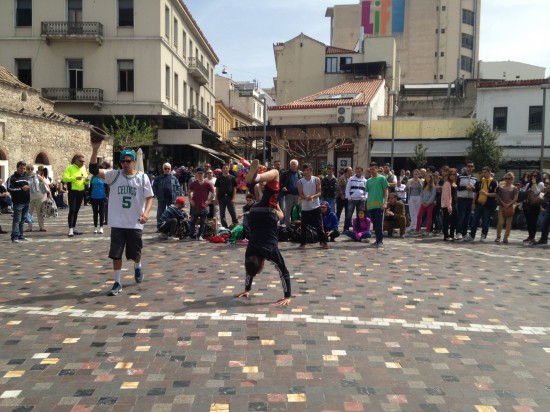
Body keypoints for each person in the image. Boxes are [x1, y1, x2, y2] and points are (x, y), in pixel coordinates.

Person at [89, 143, 154, 296]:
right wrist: (95, 149)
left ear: (133, 162)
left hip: (135, 222)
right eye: (123, 161)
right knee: (116, 253)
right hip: (117, 222)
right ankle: (117, 282)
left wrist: (146, 213)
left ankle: (138, 266)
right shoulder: (114, 175)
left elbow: (150, 197)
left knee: (134, 253)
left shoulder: (142, 177)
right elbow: (93, 170)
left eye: (128, 161)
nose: (125, 164)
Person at [235, 160, 291, 306]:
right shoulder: (249, 252)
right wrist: (246, 288)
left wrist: (287, 296)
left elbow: (284, 272)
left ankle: (257, 178)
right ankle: (259, 176)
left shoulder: (270, 251)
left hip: (268, 214)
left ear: (261, 265)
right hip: (255, 211)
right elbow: (249, 270)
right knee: (280, 212)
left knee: (276, 174)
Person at [463, 166, 498, 242]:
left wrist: (486, 194)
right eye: (483, 172)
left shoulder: (494, 182)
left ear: (489, 172)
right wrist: (473, 203)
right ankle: (472, 235)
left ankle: (483, 235)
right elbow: (475, 193)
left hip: (487, 205)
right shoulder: (479, 182)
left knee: (486, 221)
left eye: (485, 172)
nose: (483, 174)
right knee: (475, 220)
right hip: (478, 204)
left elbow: (496, 194)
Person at [298, 163, 328, 249]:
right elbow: (300, 194)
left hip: (315, 206)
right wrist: (305, 197)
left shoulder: (316, 179)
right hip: (305, 207)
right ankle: (302, 243)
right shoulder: (300, 181)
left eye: (308, 170)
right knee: (303, 226)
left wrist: (312, 197)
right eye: (305, 170)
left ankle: (323, 241)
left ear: (311, 170)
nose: (306, 172)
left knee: (319, 224)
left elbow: (319, 192)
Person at [62, 154, 90, 236]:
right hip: (73, 191)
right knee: (72, 210)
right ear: (76, 160)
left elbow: (85, 180)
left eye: (83, 161)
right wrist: (75, 178)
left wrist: (87, 181)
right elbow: (64, 179)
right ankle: (70, 229)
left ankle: (73, 227)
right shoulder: (69, 168)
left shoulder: (84, 169)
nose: (82, 163)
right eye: (81, 161)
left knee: (77, 210)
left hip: (81, 191)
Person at [365, 162, 389, 247]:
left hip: (379, 205)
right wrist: (367, 203)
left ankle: (380, 241)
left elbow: (386, 191)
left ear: (377, 169)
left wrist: (385, 202)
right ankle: (377, 239)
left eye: (373, 169)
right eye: (370, 169)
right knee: (374, 224)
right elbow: (368, 193)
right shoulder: (368, 180)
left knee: (379, 224)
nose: (371, 171)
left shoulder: (382, 178)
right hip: (371, 205)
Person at [188, 167, 214, 241]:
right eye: (198, 173)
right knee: (192, 221)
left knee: (203, 222)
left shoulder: (207, 183)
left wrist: (209, 201)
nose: (200, 175)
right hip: (195, 205)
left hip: (204, 206)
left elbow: (213, 193)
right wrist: (190, 200)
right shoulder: (194, 183)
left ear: (203, 174)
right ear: (196, 174)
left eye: (201, 174)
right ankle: (191, 235)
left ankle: (200, 235)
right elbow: (189, 192)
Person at [7, 161, 31, 243]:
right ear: (17, 168)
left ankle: (21, 235)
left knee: (23, 219)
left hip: (26, 201)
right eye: (21, 168)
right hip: (18, 202)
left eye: (24, 168)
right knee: (17, 220)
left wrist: (29, 188)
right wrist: (21, 189)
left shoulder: (26, 177)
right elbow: (9, 189)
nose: (23, 170)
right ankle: (14, 236)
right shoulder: (12, 178)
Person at [495, 172, 518, 244]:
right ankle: (498, 236)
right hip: (502, 206)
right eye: (506, 178)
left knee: (508, 223)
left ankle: (505, 238)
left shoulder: (514, 188)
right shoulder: (501, 187)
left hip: (510, 207)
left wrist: (509, 204)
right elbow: (498, 196)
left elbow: (515, 198)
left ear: (512, 179)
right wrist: (503, 204)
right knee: (500, 222)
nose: (507, 180)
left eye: (509, 178)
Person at [456, 162, 477, 240]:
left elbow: (476, 189)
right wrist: (465, 187)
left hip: (470, 199)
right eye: (468, 166)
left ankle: (464, 233)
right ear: (466, 167)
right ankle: (458, 232)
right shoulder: (460, 176)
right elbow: (457, 187)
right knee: (461, 216)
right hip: (462, 198)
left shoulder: (475, 178)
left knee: (467, 217)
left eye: (471, 166)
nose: (470, 168)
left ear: (473, 168)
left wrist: (473, 188)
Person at [26, 165, 50, 232]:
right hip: (29, 197)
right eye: (28, 169)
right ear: (26, 170)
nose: (30, 170)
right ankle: (29, 227)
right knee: (29, 212)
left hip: (39, 196)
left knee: (39, 212)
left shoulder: (37, 176)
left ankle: (42, 227)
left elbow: (44, 184)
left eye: (31, 169)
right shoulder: (25, 177)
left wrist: (47, 194)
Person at [215, 164, 239, 228]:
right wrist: (216, 198)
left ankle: (235, 225)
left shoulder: (232, 177)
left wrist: (233, 197)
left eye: (226, 168)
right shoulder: (219, 178)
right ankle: (225, 227)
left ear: (228, 169)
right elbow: (217, 188)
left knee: (233, 212)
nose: (225, 169)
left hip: (230, 197)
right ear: (222, 169)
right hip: (221, 198)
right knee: (222, 214)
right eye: (224, 168)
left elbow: (234, 188)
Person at [281, 159, 303, 226]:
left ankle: (296, 225)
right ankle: (288, 226)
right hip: (289, 195)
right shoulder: (285, 173)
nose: (293, 165)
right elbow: (280, 182)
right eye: (292, 164)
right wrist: (283, 187)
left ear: (297, 165)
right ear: (290, 165)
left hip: (298, 195)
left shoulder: (300, 174)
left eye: (294, 164)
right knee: (288, 211)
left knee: (296, 210)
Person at [345, 166, 368, 231]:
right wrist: (348, 197)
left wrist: (365, 197)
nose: (358, 172)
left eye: (359, 171)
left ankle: (359, 229)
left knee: (360, 215)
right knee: (348, 215)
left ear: (362, 172)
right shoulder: (351, 179)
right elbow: (347, 188)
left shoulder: (365, 180)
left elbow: (367, 190)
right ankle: (346, 229)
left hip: (361, 200)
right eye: (357, 171)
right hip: (352, 199)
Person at [441, 168, 458, 241]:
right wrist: (449, 206)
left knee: (454, 220)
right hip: (447, 205)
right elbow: (446, 196)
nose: (453, 176)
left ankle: (452, 234)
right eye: (451, 174)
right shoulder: (447, 183)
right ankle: (446, 235)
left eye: (454, 174)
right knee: (446, 221)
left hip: (454, 203)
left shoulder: (454, 183)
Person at [90, 169, 107, 234]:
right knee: (95, 213)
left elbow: (106, 187)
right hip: (93, 197)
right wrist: (89, 196)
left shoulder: (103, 178)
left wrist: (106, 196)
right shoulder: (93, 177)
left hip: (102, 197)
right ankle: (95, 227)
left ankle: (101, 227)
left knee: (101, 213)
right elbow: (90, 187)